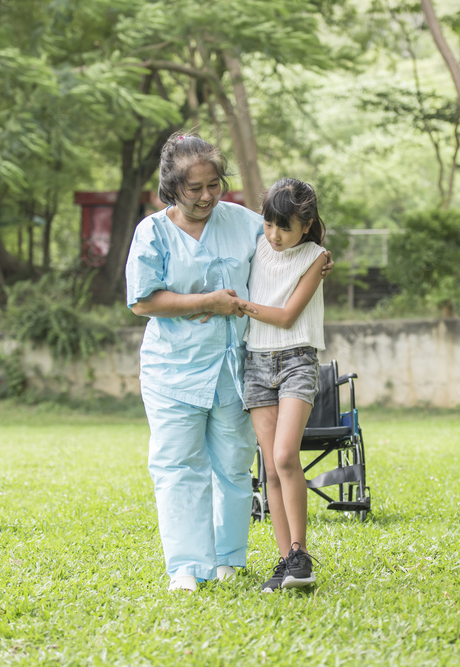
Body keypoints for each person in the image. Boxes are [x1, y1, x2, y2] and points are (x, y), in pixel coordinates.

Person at [125, 133, 331, 593]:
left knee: (234, 464)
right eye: (194, 188)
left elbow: (288, 237)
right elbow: (142, 301)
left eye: (214, 184)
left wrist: (318, 256)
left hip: (237, 368)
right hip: (173, 368)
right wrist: (210, 302)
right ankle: (184, 566)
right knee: (178, 464)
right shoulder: (152, 232)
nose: (206, 196)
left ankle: (229, 558)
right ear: (171, 187)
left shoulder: (243, 222)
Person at [240, 178, 328, 592]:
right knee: (271, 467)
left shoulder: (316, 257)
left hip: (297, 360)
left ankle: (300, 554)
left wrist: (238, 305)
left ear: (306, 226)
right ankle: (285, 562)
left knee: (286, 455)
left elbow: (288, 315)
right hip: (255, 362)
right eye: (269, 224)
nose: (274, 235)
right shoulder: (256, 245)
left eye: (285, 227)